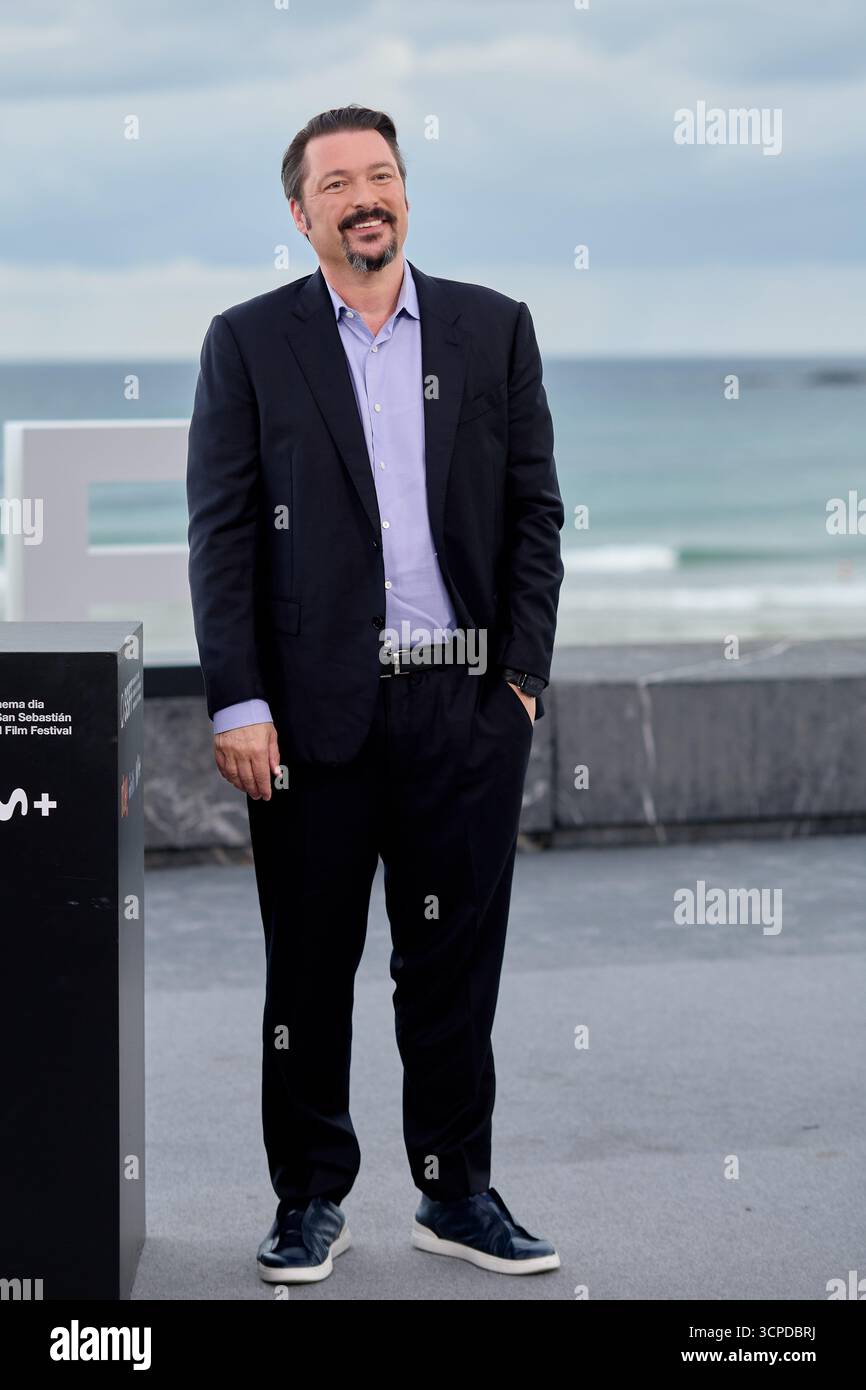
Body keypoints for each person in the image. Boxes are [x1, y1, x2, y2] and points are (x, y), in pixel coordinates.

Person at [186, 104, 565, 1285]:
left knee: (451, 967)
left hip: (462, 713)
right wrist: (238, 703)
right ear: (300, 212)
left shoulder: (491, 328)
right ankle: (308, 1198)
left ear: (406, 194)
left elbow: (534, 518)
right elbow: (224, 535)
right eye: (338, 180)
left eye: (383, 175)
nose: (365, 195)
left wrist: (520, 685)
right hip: (309, 721)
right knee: (307, 970)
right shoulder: (247, 343)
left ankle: (455, 1194)